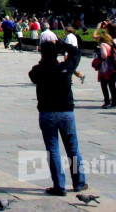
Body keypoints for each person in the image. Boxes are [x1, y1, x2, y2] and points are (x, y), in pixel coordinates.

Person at [28, 40, 87, 196]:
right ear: (57, 53)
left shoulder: (39, 70)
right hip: (66, 112)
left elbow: (32, 76)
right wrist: (61, 44)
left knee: (53, 149)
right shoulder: (65, 68)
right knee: (73, 149)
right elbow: (76, 52)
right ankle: (79, 182)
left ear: (42, 53)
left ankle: (59, 186)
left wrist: (44, 60)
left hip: (47, 113)